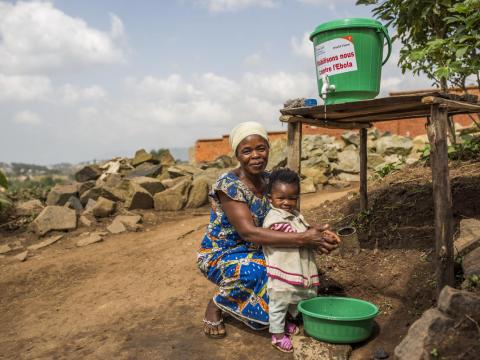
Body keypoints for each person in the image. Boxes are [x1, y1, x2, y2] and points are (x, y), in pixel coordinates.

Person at [197, 121, 340, 339]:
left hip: (260, 246)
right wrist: (304, 239)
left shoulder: (270, 180)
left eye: (260, 148)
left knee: (291, 267)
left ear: (268, 150)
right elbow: (248, 233)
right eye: (247, 151)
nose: (255, 155)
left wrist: (313, 232)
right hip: (223, 253)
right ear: (237, 155)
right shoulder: (229, 185)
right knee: (261, 270)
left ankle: (276, 314)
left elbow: (286, 216)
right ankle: (217, 303)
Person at [262, 168, 320, 353]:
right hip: (281, 271)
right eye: (281, 198)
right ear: (270, 197)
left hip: (294, 269)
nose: (287, 202)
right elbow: (286, 232)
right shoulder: (274, 217)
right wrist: (308, 236)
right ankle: (277, 336)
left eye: (292, 198)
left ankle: (285, 324)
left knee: (291, 300)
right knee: (279, 303)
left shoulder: (295, 215)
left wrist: (318, 231)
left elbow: (304, 230)